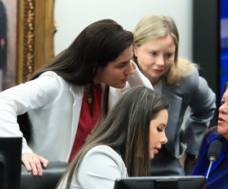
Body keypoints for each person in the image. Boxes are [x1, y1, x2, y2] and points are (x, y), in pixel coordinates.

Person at [0, 19, 152, 176]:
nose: (129, 70)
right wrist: (23, 152)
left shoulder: (108, 87)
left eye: (131, 62)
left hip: (82, 180)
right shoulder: (55, 84)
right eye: (121, 65)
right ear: (95, 65)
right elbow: (3, 102)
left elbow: (150, 107)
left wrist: (131, 70)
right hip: (47, 179)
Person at [46, 87, 168, 189]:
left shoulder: (123, 161)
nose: (165, 139)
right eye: (159, 129)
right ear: (137, 125)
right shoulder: (98, 159)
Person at [133, 15, 216, 175]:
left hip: (167, 163)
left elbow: (207, 107)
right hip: (124, 163)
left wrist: (191, 150)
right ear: (135, 48)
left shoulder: (186, 78)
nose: (161, 62)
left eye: (169, 55)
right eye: (153, 53)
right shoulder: (120, 76)